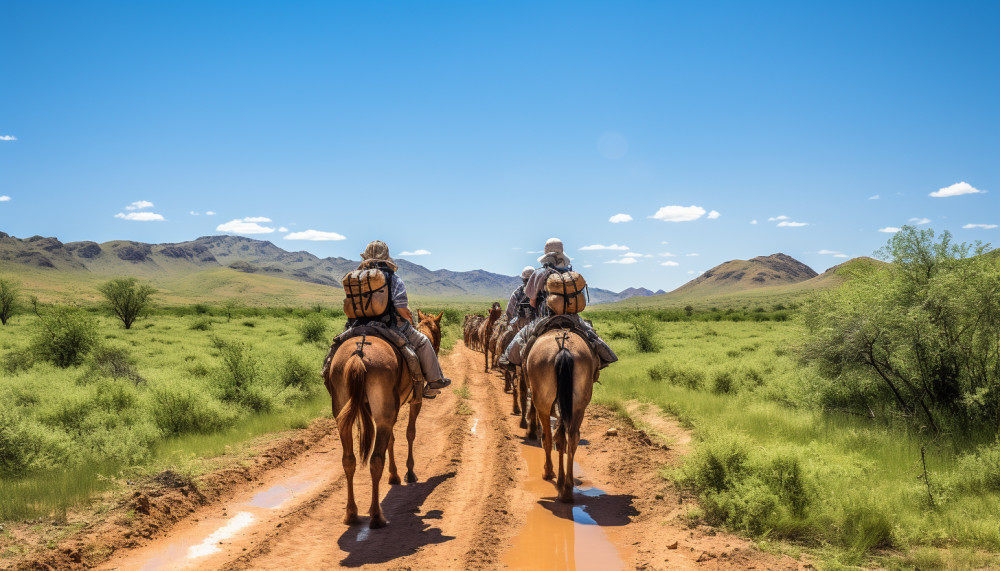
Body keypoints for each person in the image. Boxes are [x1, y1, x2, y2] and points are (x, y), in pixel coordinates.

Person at [499, 238, 618, 369]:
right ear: (562, 252)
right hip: (572, 318)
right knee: (590, 335)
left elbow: (532, 302)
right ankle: (606, 357)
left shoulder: (538, 273)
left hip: (544, 319)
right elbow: (582, 298)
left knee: (521, 335)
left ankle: (507, 360)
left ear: (546, 254)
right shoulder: (571, 274)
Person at [351, 240, 451, 391]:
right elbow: (401, 308)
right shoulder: (393, 278)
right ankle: (434, 381)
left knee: (337, 345)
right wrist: (409, 317)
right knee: (423, 342)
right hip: (391, 325)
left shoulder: (356, 277)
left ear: (366, 258)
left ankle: (327, 371)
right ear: (386, 257)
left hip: (357, 325)